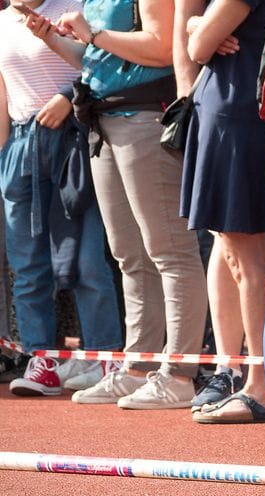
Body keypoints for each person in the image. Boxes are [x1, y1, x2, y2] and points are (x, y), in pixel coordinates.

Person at [26, 0, 208, 409]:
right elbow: (96, 58)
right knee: (129, 255)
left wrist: (93, 34)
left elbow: (163, 47)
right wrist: (53, 38)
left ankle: (180, 375)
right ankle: (139, 368)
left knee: (170, 251)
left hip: (145, 117)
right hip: (104, 122)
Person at [0, 0, 123, 396]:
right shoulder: (2, 22)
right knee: (28, 264)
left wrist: (70, 95)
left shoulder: (76, 6)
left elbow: (101, 61)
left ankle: (104, 357)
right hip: (19, 145)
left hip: (74, 140)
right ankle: (44, 360)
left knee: (88, 260)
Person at [177, 0, 265, 423]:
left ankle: (262, 386)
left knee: (248, 259)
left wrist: (199, 24)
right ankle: (240, 374)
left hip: (236, 112)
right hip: (231, 108)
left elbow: (199, 46)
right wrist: (204, 27)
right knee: (232, 250)